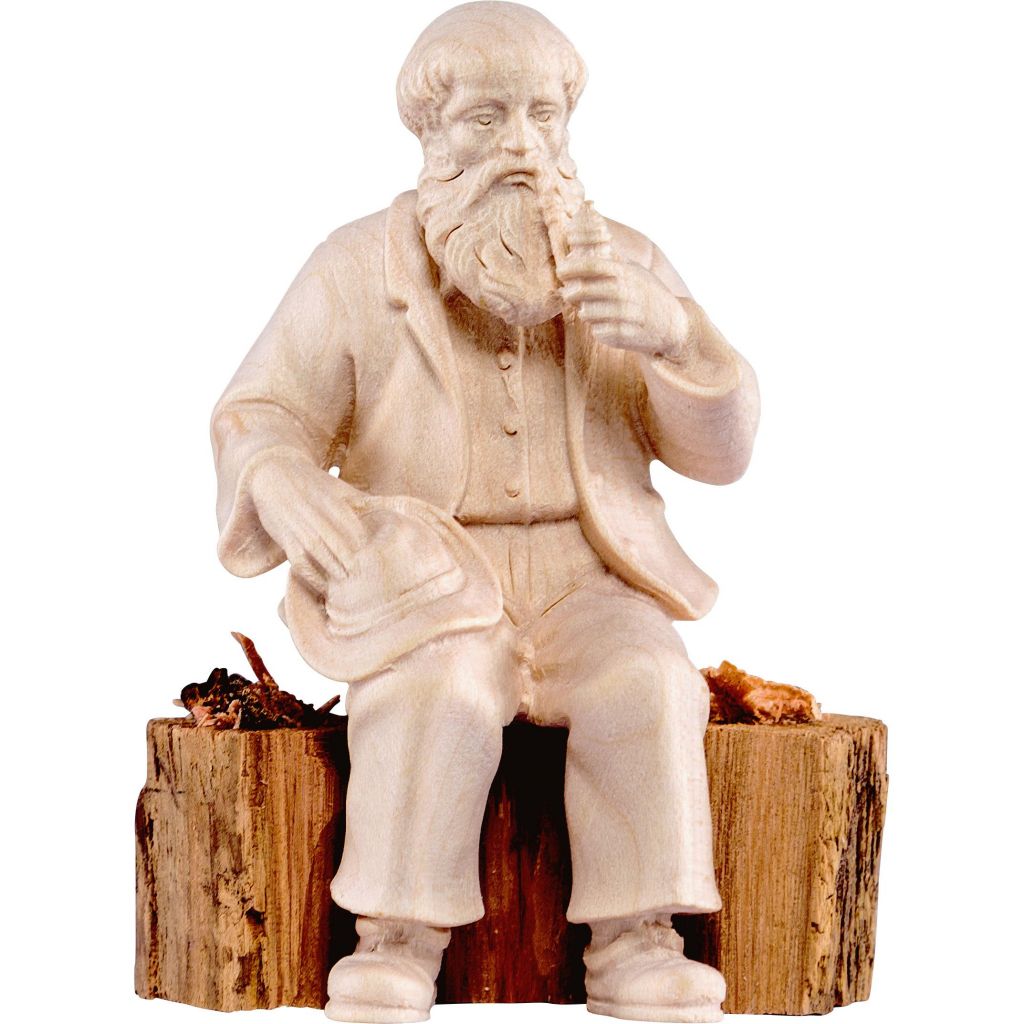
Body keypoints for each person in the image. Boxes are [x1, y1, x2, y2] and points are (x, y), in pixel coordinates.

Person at [212, 4, 759, 1022]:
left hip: (590, 572)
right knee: (438, 694)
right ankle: (395, 940)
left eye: (542, 116)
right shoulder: (356, 267)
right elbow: (262, 410)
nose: (519, 145)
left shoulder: (626, 263)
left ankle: (637, 939)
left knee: (647, 678)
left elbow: (719, 456)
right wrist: (277, 475)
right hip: (428, 578)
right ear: (431, 133)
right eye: (486, 117)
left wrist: (676, 339)